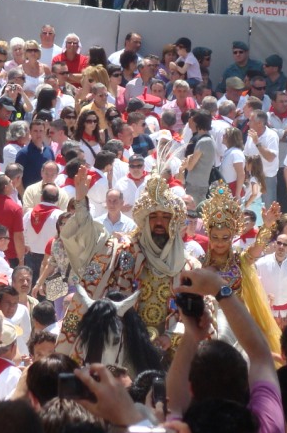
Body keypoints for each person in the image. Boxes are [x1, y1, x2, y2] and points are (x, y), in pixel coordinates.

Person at [57, 153, 197, 356]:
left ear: (174, 222)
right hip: (124, 348)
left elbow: (199, 312)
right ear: (144, 220)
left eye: (165, 217)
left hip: (172, 353)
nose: (159, 222)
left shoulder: (188, 265)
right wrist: (80, 202)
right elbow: (89, 245)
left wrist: (171, 336)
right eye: (153, 216)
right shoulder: (124, 250)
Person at [196, 186, 283, 353]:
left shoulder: (239, 260)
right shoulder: (198, 264)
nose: (219, 242)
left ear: (232, 237)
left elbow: (256, 250)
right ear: (209, 236)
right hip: (206, 319)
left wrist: (267, 226)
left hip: (237, 321)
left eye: (225, 237)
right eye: (215, 237)